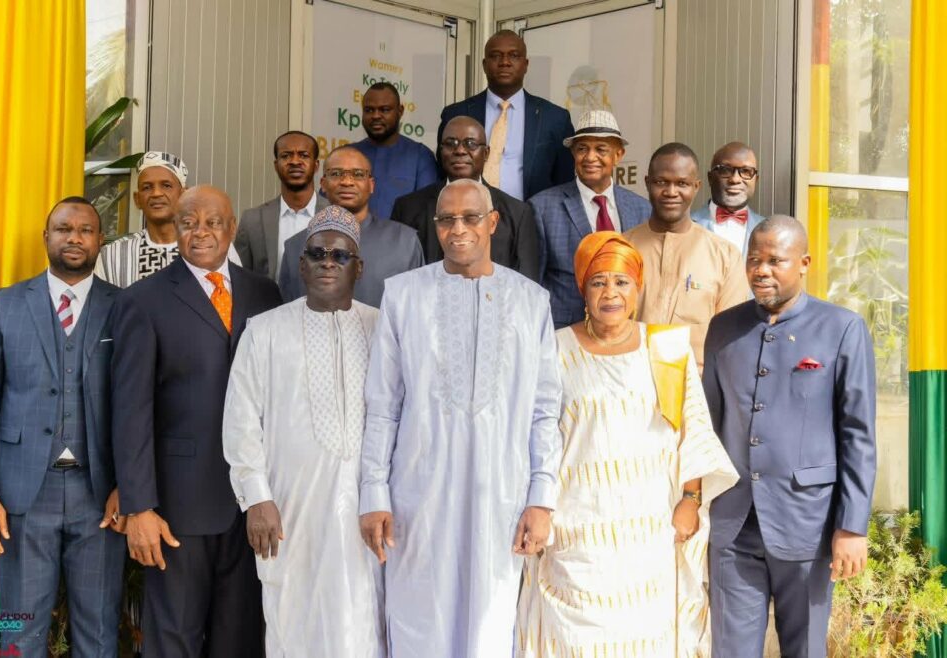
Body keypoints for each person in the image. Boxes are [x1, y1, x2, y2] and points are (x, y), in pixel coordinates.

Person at [359, 178, 563, 657]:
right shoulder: (403, 296)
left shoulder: (531, 301)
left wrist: (542, 497)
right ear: (435, 227)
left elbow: (545, 410)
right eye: (446, 219)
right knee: (418, 621)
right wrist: (374, 492)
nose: (458, 229)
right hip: (418, 497)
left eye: (470, 217)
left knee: (489, 628)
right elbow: (383, 405)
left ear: (492, 222)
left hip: (502, 496)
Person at [514, 231, 738, 657]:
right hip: (576, 529)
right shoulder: (554, 349)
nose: (611, 293)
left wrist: (691, 499)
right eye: (598, 282)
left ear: (638, 288)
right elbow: (537, 434)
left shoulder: (667, 348)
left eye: (622, 282)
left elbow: (692, 428)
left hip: (651, 528)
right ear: (583, 289)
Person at [111, 185, 282, 657]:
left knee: (240, 639)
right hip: (177, 506)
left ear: (232, 229)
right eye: (188, 223)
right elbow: (130, 410)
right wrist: (140, 507)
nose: (200, 232)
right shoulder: (143, 300)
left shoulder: (266, 294)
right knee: (174, 638)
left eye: (212, 223)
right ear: (176, 230)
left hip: (253, 505)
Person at [704, 216, 876, 657]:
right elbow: (708, 425)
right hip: (734, 525)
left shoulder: (842, 328)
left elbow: (857, 435)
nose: (761, 270)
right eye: (753, 260)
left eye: (774, 260)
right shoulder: (722, 329)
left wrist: (851, 527)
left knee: (805, 649)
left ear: (804, 263)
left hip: (808, 524)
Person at [0, 197, 125, 657]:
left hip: (101, 497)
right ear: (46, 237)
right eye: (64, 229)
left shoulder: (125, 306)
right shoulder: (4, 305)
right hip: (21, 497)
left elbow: (139, 405)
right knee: (18, 630)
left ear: (100, 240)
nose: (74, 238)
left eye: (85, 230)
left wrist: (130, 486)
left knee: (99, 633)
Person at [223, 205, 384, 656]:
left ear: (358, 267)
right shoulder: (265, 331)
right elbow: (240, 420)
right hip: (289, 509)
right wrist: (256, 497)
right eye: (317, 254)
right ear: (301, 264)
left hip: (364, 510)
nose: (328, 263)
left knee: (361, 621)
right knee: (292, 620)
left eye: (340, 255)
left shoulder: (382, 328)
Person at [624, 142, 745, 368]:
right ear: (647, 183)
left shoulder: (725, 256)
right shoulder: (622, 249)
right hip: (631, 380)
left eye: (682, 183)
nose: (671, 192)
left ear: (696, 186)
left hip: (697, 384)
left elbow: (730, 340)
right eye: (661, 182)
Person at [529, 109, 652, 327]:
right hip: (564, 334)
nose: (590, 157)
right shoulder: (542, 208)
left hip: (625, 332)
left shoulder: (641, 209)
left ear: (618, 155)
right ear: (573, 154)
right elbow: (531, 286)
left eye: (601, 149)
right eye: (582, 149)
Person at [390, 115, 539, 279]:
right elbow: (399, 276)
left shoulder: (517, 214)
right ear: (440, 152)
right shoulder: (407, 208)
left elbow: (526, 283)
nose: (460, 151)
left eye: (470, 144)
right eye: (451, 143)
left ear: (486, 153)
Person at [279, 145, 424, 307]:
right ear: (323, 184)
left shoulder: (405, 242)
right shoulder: (296, 246)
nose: (347, 182)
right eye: (336, 174)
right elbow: (287, 312)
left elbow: (416, 309)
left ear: (371, 185)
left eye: (358, 174)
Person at [438, 30, 574, 200]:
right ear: (484, 64)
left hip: (533, 215)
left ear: (526, 64)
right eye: (496, 56)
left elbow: (565, 182)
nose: (505, 62)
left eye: (514, 56)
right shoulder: (455, 114)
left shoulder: (555, 118)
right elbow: (443, 175)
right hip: (467, 212)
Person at [95, 151, 242, 287]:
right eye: (147, 187)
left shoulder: (216, 246)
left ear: (184, 195)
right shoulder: (112, 255)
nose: (156, 193)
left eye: (166, 185)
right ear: (137, 199)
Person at [235, 131, 329, 278]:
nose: (295, 161)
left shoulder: (336, 215)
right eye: (286, 156)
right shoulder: (252, 220)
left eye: (304, 155)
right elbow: (239, 277)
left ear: (316, 165)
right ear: (276, 165)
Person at [352, 82, 439, 221]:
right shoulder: (348, 155)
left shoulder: (420, 156)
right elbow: (327, 205)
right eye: (369, 110)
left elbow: (426, 213)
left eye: (385, 110)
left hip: (403, 234)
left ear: (400, 111)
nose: (376, 116)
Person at [691, 142, 766, 255]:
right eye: (725, 170)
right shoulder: (686, 226)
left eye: (746, 171)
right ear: (710, 178)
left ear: (756, 180)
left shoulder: (767, 229)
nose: (735, 179)